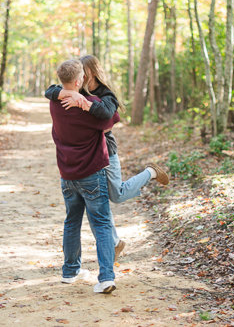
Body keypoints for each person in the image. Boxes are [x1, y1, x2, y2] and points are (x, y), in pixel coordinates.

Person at [44, 54, 169, 258]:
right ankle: (113, 244)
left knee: (116, 195)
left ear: (89, 73)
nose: (81, 77)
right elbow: (50, 91)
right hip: (88, 155)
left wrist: (84, 103)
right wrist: (70, 94)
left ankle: (150, 172)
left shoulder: (105, 93)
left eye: (82, 72)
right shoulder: (75, 89)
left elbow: (108, 115)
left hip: (105, 152)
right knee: (97, 207)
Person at [47, 58, 120, 294]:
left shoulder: (55, 103)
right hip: (91, 173)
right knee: (101, 224)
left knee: (71, 221)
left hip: (67, 174)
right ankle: (106, 277)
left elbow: (51, 92)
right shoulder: (92, 104)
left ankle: (70, 271)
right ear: (80, 80)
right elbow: (112, 118)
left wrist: (63, 93)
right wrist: (87, 102)